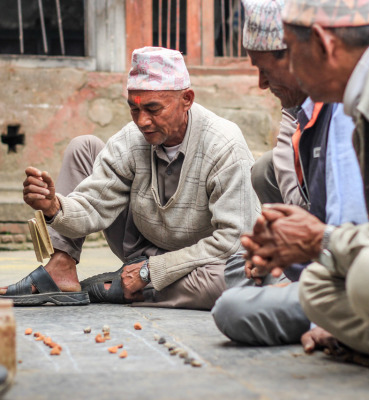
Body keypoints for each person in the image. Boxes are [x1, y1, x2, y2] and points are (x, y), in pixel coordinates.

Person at [1, 47, 259, 309]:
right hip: (139, 247)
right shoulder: (131, 139)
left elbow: (234, 241)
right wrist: (54, 208)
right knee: (84, 147)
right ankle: (62, 269)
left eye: (153, 109)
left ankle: (127, 287)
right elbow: (93, 205)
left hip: (199, 263)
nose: (142, 121)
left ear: (187, 99)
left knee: (236, 280)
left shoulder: (224, 145)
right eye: (134, 110)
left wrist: (152, 271)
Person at [242, 0, 369, 365]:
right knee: (317, 287)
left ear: (324, 44)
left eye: (292, 54)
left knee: (368, 274)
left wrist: (319, 239)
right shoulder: (363, 94)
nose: (290, 72)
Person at [212, 0, 368, 346]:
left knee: (231, 309)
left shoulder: (347, 106)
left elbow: (351, 240)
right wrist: (277, 248)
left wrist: (328, 310)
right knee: (239, 268)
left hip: (358, 273)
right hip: (334, 259)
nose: (261, 84)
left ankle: (337, 317)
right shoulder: (304, 109)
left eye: (266, 69)